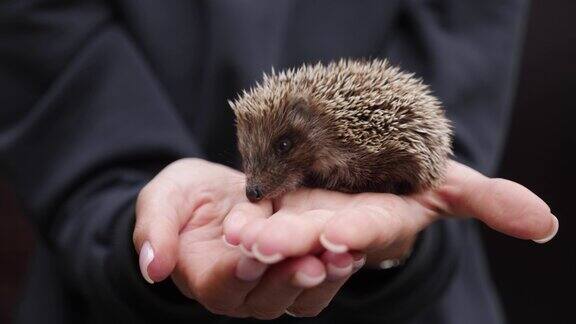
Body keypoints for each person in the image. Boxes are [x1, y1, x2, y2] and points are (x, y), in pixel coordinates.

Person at [0, 1, 557, 323]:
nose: (256, 187)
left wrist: (405, 242)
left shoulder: (340, 134)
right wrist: (122, 204)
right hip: (99, 292)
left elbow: (449, 99)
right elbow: (47, 54)